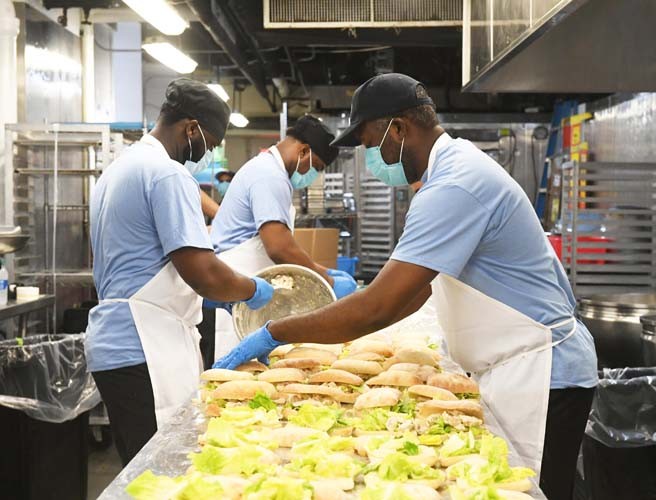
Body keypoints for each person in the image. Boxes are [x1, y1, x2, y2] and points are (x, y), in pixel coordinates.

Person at [214, 74, 598, 500]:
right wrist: (347, 314)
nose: (367, 154)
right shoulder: (449, 171)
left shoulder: (454, 184)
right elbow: (413, 294)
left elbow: (380, 306)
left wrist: (277, 332)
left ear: (397, 128)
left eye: (368, 140)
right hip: (522, 364)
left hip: (544, 370)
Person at [85, 78, 275, 466]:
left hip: (114, 343)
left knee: (136, 472)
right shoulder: (167, 174)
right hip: (144, 344)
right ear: (191, 129)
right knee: (161, 472)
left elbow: (146, 261)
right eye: (211, 142)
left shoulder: (119, 169)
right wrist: (252, 289)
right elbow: (203, 272)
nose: (209, 153)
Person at [209, 115, 356, 359]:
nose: (313, 175)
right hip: (235, 294)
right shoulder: (269, 175)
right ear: (304, 151)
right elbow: (278, 246)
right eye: (316, 167)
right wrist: (326, 282)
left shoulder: (267, 170)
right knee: (236, 376)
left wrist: (323, 271)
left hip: (247, 288)